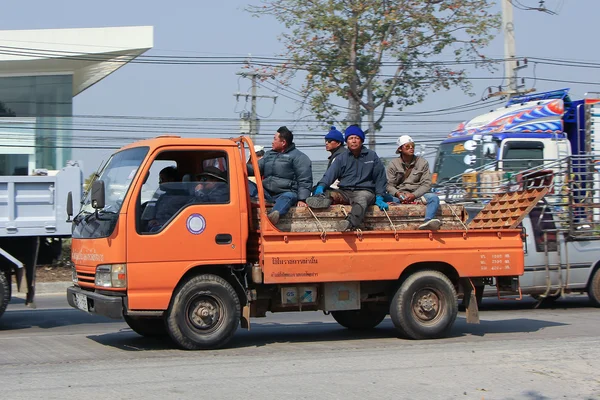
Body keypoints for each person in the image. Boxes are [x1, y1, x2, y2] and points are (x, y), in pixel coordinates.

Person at [307, 125, 388, 231]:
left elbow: (380, 178)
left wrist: (380, 196)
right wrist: (321, 186)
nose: (353, 141)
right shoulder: (342, 158)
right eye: (350, 138)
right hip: (345, 191)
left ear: (361, 141)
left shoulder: (372, 156)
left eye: (356, 138)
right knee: (327, 192)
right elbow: (330, 174)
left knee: (361, 200)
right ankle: (322, 198)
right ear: (347, 141)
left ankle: (349, 223)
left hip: (364, 191)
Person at [247, 126, 313, 224]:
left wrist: (302, 199)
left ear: (283, 142)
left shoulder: (299, 157)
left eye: (275, 139)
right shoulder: (269, 155)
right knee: (244, 182)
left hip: (285, 192)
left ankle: (273, 216)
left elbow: (305, 179)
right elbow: (255, 169)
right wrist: (238, 166)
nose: (272, 142)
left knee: (288, 196)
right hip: (265, 193)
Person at [387, 135, 442, 231]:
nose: (411, 148)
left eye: (412, 145)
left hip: (418, 195)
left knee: (434, 198)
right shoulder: (393, 164)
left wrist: (413, 195)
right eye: (407, 146)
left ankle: (428, 221)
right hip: (399, 196)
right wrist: (398, 194)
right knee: (378, 197)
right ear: (400, 149)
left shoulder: (423, 163)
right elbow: (389, 185)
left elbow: (426, 184)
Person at [146, 166, 190, 232]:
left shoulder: (183, 197)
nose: (159, 183)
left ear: (171, 181)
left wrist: (161, 223)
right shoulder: (163, 196)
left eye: (162, 180)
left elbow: (180, 220)